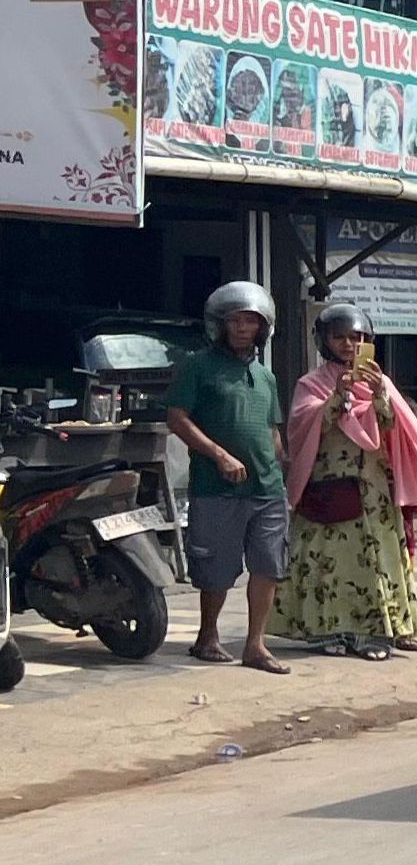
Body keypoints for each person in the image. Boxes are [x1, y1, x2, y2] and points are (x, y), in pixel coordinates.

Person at [279, 302, 417, 658]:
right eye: (340, 337)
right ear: (324, 340)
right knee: (324, 562)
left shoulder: (380, 381)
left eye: (356, 337)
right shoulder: (310, 384)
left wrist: (379, 397)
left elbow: (396, 428)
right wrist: (336, 399)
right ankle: (325, 632)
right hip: (326, 485)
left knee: (375, 562)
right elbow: (301, 427)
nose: (348, 344)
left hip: (373, 491)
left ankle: (373, 634)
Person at [164, 280, 292, 673]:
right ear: (219, 324)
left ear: (262, 328)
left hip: (267, 489)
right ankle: (207, 637)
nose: (242, 328)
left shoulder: (265, 377)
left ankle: (255, 645)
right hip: (216, 488)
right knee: (216, 568)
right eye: (235, 321)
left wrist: (283, 472)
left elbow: (273, 432)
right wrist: (219, 454)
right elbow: (177, 418)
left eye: (250, 322)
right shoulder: (197, 366)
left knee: (269, 565)